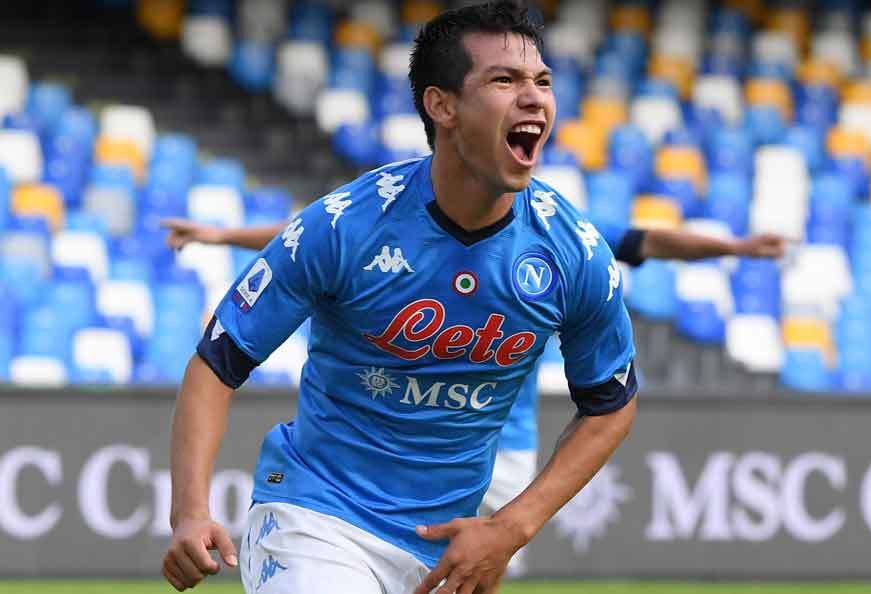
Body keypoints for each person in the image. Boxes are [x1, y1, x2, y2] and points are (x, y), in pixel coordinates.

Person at [162, 3, 639, 593]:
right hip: (317, 518)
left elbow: (610, 404)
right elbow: (216, 362)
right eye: (504, 80)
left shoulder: (573, 252)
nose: (534, 98)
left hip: (444, 548)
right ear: (442, 105)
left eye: (542, 81)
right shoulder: (343, 226)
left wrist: (511, 527)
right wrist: (189, 511)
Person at [162, 219, 784, 577]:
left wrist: (732, 249)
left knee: (472, 570)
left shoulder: (563, 235)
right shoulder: (378, 222)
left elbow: (647, 241)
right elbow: (301, 236)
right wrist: (223, 235)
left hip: (500, 458)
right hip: (368, 469)